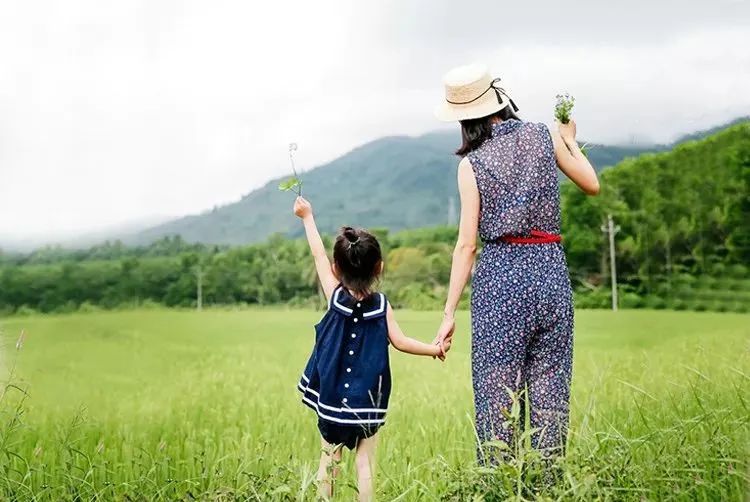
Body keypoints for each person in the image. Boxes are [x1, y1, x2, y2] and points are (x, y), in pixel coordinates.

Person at [432, 64, 600, 464]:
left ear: (464, 118)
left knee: (497, 398)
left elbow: (466, 245)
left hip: (500, 283)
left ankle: (498, 486)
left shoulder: (472, 164)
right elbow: (591, 183)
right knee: (550, 393)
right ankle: (549, 486)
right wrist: (568, 139)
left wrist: (449, 311)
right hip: (550, 275)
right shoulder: (543, 136)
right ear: (500, 101)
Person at [292, 196, 448, 501]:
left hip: (332, 401)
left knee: (329, 459)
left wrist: (307, 217)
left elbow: (317, 256)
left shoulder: (335, 297)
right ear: (379, 267)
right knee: (365, 463)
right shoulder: (381, 306)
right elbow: (401, 342)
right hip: (368, 402)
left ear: (337, 269)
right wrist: (434, 349)